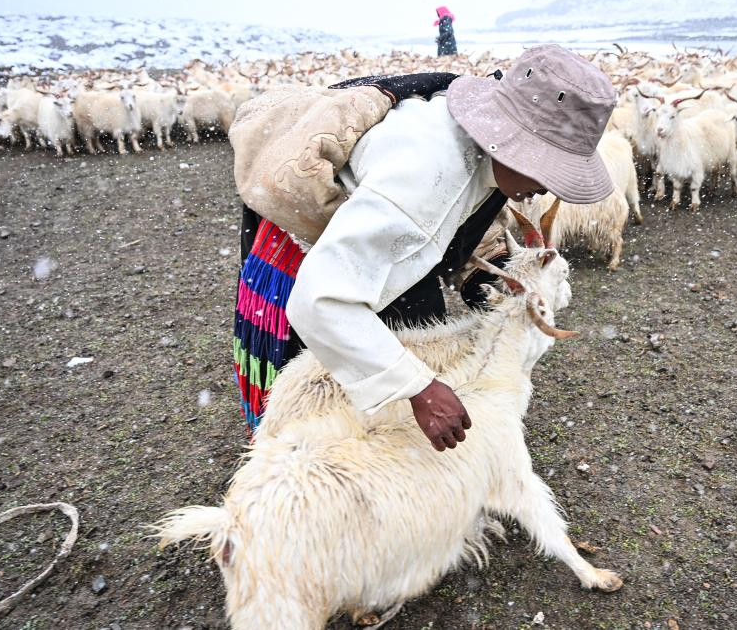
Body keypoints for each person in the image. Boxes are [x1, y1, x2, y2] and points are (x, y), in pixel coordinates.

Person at [233, 44, 616, 451]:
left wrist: (493, 272)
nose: (549, 187)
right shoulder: (418, 181)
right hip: (309, 256)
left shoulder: (480, 148)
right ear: (512, 143)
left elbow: (463, 206)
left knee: (410, 342)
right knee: (321, 410)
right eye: (549, 168)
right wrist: (418, 388)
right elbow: (320, 300)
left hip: (369, 244)